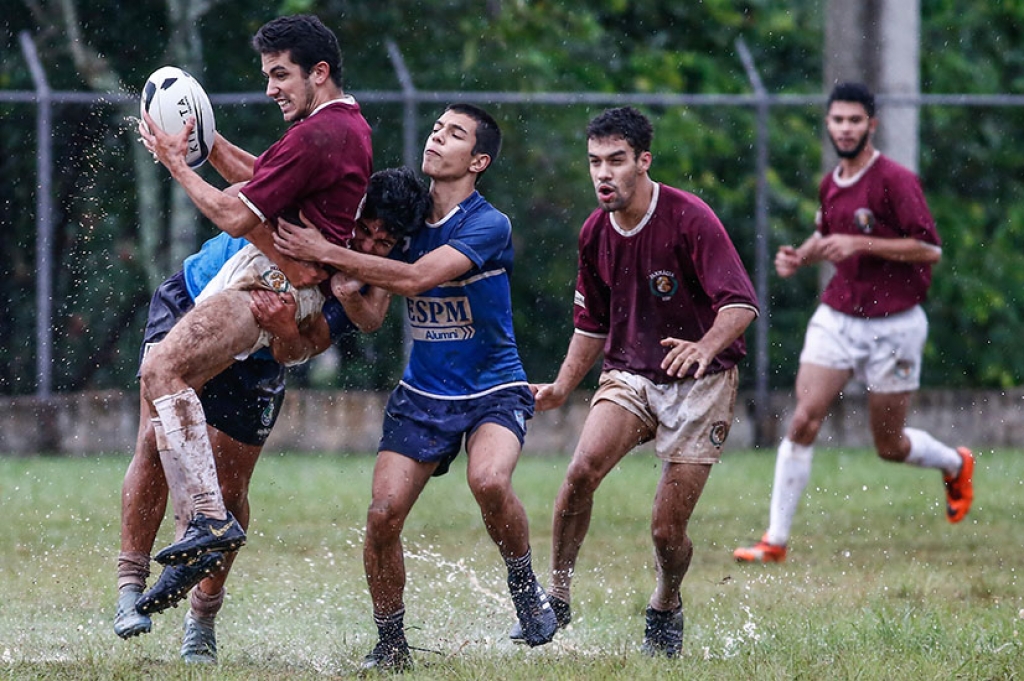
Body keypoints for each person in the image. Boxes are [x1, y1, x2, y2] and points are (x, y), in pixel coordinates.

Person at [274, 103, 558, 671]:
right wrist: (351, 292)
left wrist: (327, 253)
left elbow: (414, 278)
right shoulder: (400, 216)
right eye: (435, 128)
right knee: (382, 516)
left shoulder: (487, 223)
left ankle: (527, 589)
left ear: (477, 161)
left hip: (492, 389)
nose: (437, 138)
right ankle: (391, 643)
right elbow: (375, 316)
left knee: (489, 481)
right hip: (423, 395)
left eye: (454, 135)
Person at [113, 168, 431, 664]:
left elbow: (302, 349)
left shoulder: (360, 282)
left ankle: (202, 617)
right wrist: (193, 152)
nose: (367, 244)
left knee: (230, 488)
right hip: (192, 299)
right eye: (364, 228)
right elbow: (249, 185)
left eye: (383, 242)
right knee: (154, 444)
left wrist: (286, 328)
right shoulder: (325, 196)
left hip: (263, 353)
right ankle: (129, 585)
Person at [512, 106, 759, 658]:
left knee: (666, 532)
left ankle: (666, 602)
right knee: (579, 473)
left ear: (644, 162)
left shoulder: (690, 217)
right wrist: (559, 387)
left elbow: (740, 305)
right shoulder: (594, 231)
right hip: (630, 373)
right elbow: (592, 323)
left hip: (703, 381)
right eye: (595, 161)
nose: (603, 174)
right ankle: (557, 598)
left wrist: (703, 346)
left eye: (616, 161)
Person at [136, 14, 373, 571]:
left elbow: (229, 212)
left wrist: (176, 161)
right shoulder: (341, 125)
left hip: (268, 281)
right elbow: (262, 174)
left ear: (319, 73)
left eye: (280, 75)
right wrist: (207, 141)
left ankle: (207, 519)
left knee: (160, 375)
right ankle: (200, 528)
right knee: (169, 391)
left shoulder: (319, 134)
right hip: (275, 277)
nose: (270, 89)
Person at [733, 82, 974, 565]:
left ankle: (954, 463)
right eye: (838, 120)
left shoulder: (895, 181)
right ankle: (774, 540)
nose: (845, 128)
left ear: (872, 125)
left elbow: (930, 249)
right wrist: (799, 257)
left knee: (888, 444)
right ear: (828, 124)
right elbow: (828, 232)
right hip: (838, 316)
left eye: (854, 120)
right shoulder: (830, 183)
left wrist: (862, 245)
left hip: (896, 324)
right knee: (803, 418)